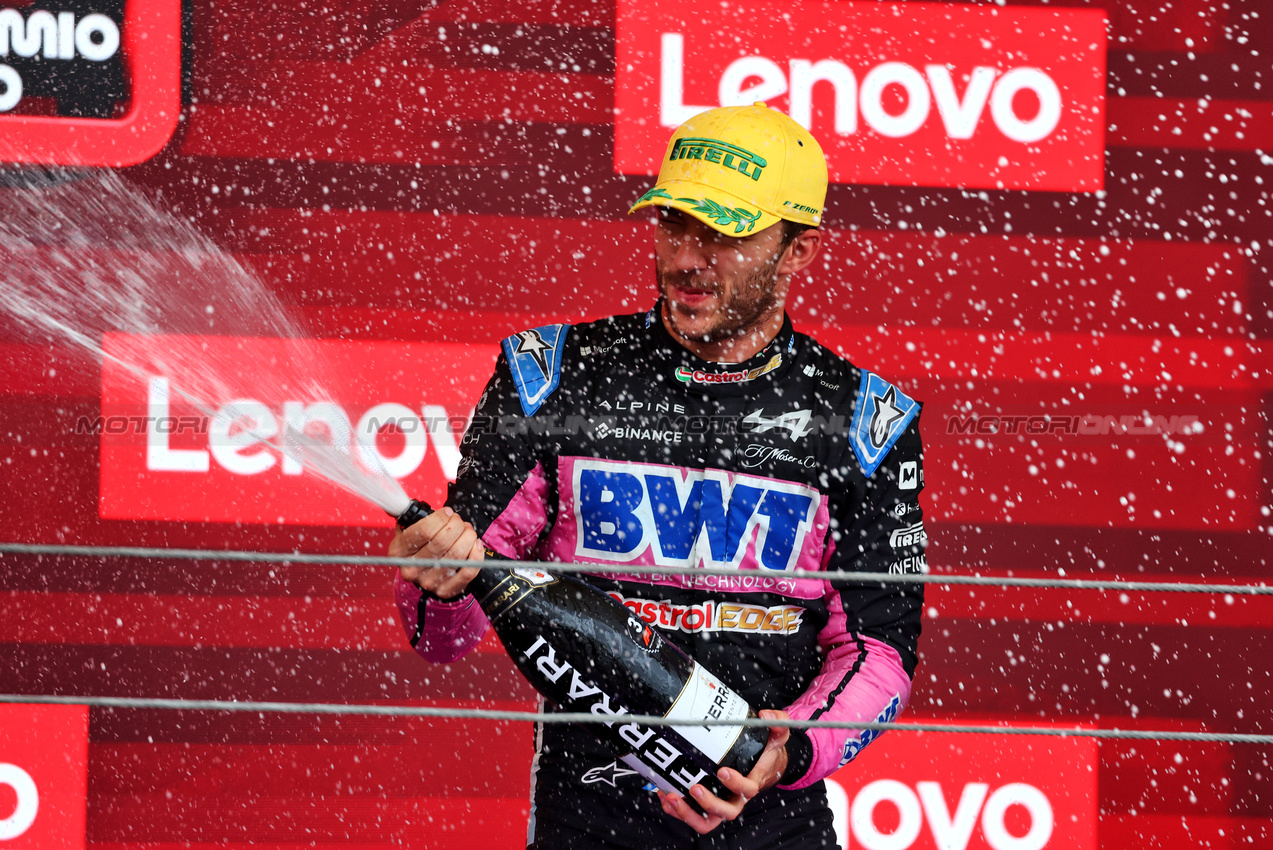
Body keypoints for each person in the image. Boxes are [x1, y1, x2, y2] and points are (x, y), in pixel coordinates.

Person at [389, 103, 927, 849]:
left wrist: (788, 750)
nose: (685, 259)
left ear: (798, 251)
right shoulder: (550, 375)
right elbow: (441, 633)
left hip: (773, 827)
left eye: (722, 236)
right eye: (673, 225)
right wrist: (433, 580)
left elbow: (879, 654)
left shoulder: (866, 419)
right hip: (587, 825)